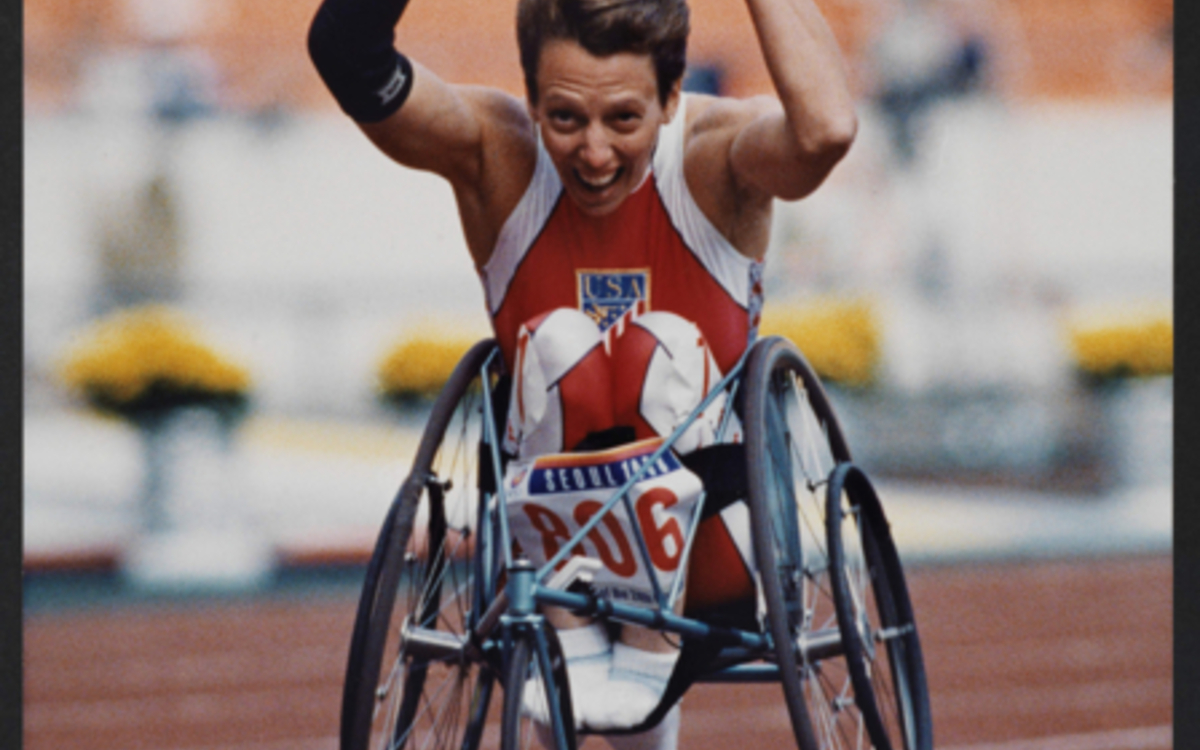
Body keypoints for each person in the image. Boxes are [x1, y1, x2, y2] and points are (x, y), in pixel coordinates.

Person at [308, 0, 856, 747]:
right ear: (530, 99)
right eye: (564, 119)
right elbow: (348, 54)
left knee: (651, 348)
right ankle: (575, 643)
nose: (594, 153)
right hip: (547, 562)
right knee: (561, 344)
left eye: (623, 121)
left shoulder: (716, 156)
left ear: (671, 99)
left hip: (708, 555)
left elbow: (825, 130)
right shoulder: (494, 153)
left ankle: (643, 659)